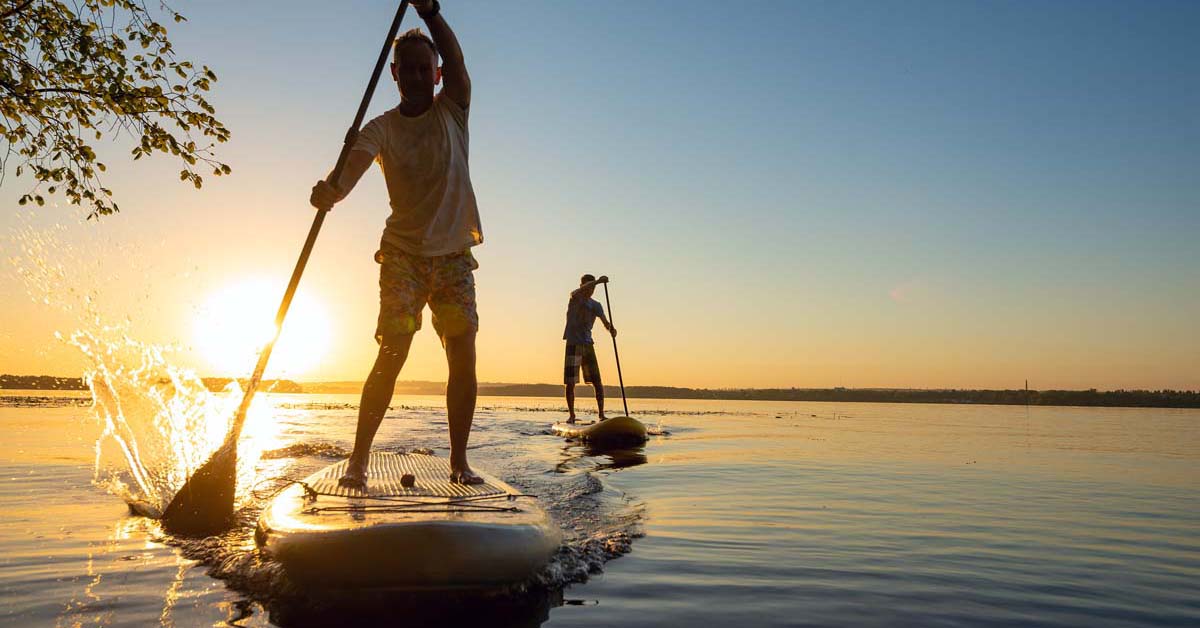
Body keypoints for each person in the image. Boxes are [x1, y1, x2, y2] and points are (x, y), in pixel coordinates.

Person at [309, 0, 484, 486]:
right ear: (393, 73)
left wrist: (430, 13)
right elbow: (348, 173)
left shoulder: (454, 109)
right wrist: (330, 191)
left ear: (436, 74)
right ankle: (360, 461)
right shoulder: (381, 127)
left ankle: (458, 462)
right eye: (405, 68)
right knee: (393, 350)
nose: (414, 75)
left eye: (423, 68)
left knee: (462, 351)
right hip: (403, 256)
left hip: (452, 256)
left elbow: (459, 60)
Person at [563, 274, 616, 423]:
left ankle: (601, 414)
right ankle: (572, 415)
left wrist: (611, 329)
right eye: (589, 286)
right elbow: (574, 292)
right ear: (582, 286)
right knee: (571, 382)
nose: (590, 290)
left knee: (597, 381)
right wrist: (598, 281)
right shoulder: (575, 298)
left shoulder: (596, 305)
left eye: (593, 288)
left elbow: (605, 322)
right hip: (573, 343)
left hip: (588, 344)